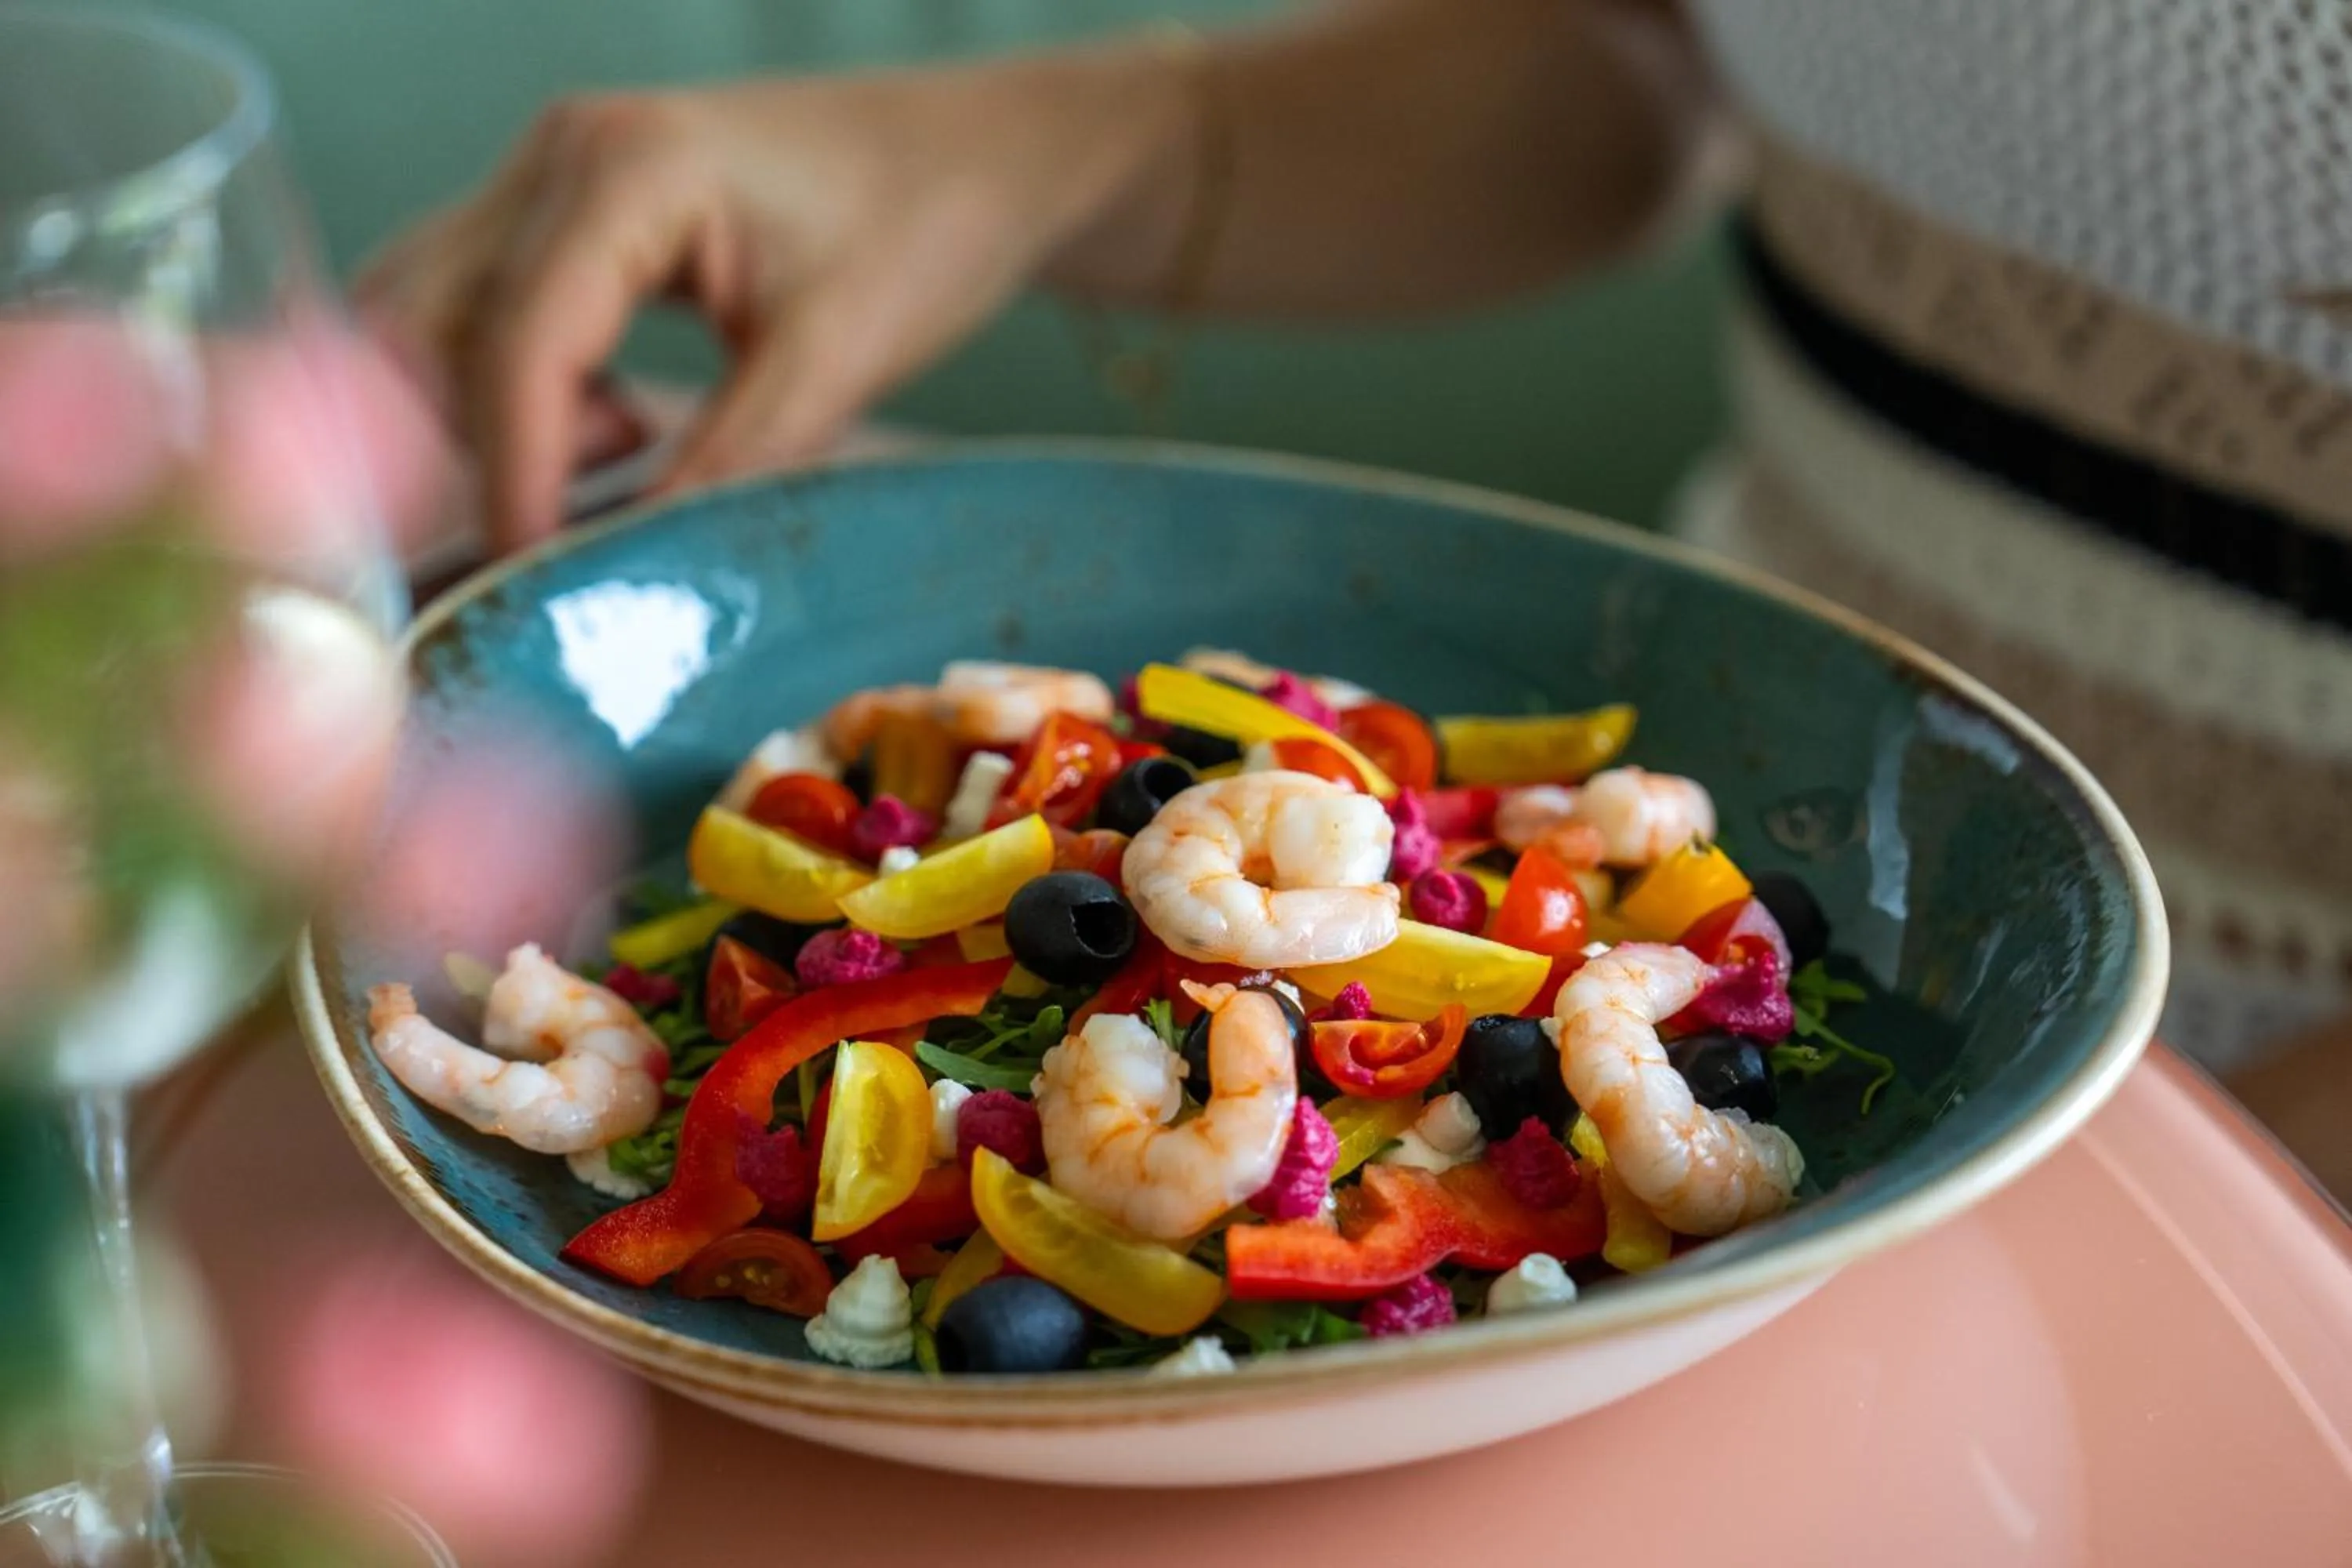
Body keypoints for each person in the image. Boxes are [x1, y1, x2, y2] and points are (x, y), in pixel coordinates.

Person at [360, 0, 2352, 1165]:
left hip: (2254, 1095)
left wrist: (2108, 1184)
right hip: (1783, 799)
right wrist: (1020, 147)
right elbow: (1653, 51)